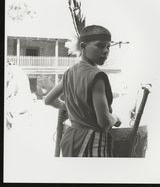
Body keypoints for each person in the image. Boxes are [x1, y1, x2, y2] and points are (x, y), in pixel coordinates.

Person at [45, 25, 121, 157]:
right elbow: (104, 122)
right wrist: (115, 118)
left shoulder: (69, 72)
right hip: (91, 142)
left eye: (108, 46)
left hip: (70, 138)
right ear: (83, 46)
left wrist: (69, 108)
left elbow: (49, 100)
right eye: (100, 46)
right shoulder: (96, 76)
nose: (106, 51)